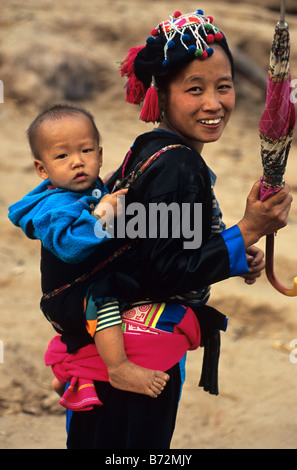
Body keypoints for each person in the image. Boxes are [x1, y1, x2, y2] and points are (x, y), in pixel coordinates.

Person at [14, 10, 292, 449]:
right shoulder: (176, 163)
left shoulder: (151, 151)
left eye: (224, 86)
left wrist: (236, 252)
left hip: (115, 344)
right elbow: (167, 271)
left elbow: (155, 243)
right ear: (159, 95)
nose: (213, 103)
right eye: (194, 89)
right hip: (132, 355)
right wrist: (248, 229)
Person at [8, 104, 170, 399]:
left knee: (122, 284)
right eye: (62, 156)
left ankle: (68, 373)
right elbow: (71, 247)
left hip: (85, 283)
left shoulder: (89, 187)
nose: (77, 162)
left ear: (100, 154)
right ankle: (118, 368)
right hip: (66, 297)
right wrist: (102, 215)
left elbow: (107, 188)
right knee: (103, 299)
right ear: (42, 169)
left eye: (86, 151)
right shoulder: (53, 207)